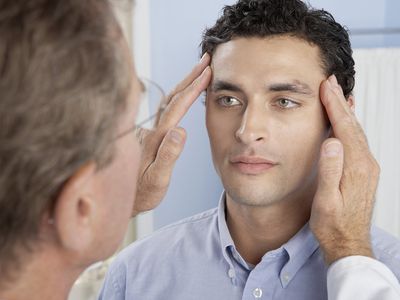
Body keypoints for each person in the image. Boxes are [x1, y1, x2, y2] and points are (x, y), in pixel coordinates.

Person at [0, 0, 398, 300]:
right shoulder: (134, 271)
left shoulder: (388, 271)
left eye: (285, 101)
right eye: (228, 99)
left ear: (340, 114)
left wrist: (349, 253)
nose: (248, 130)